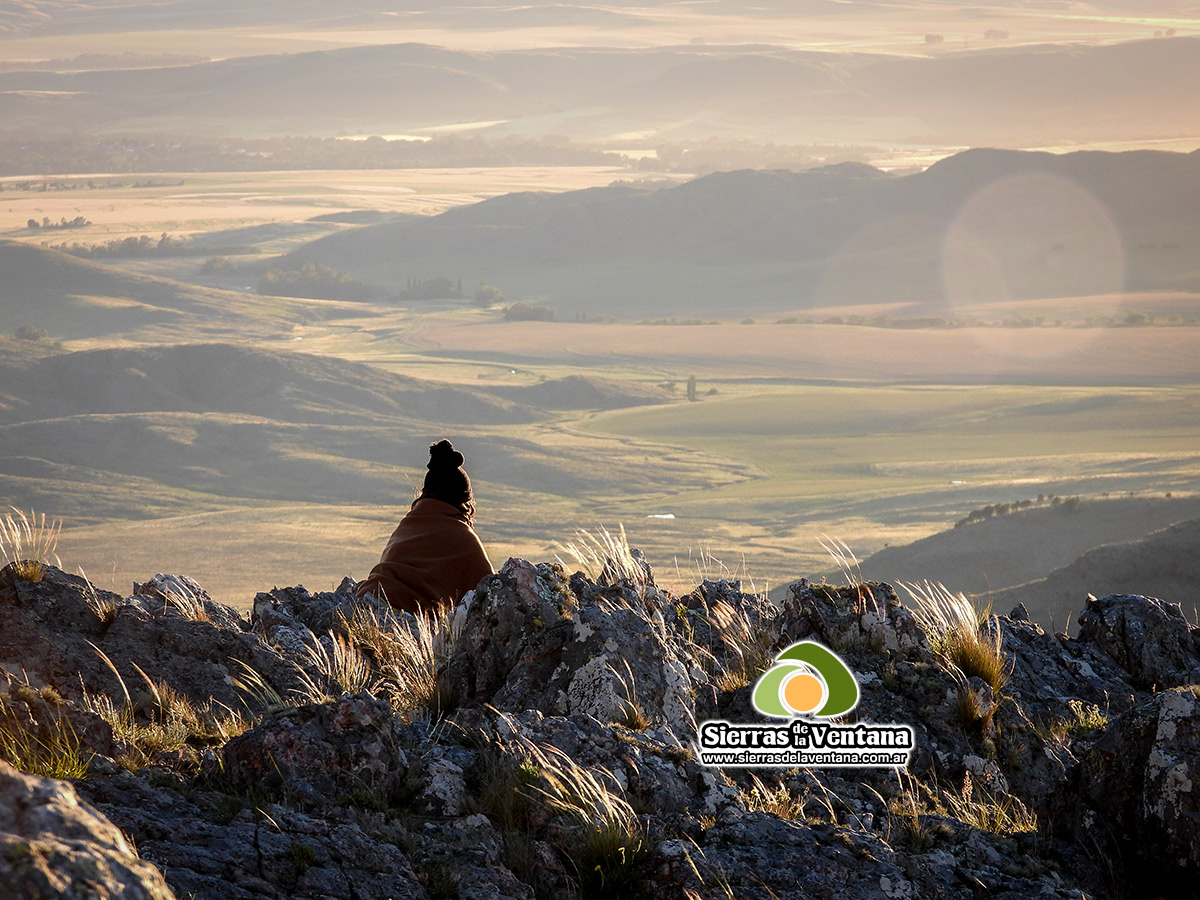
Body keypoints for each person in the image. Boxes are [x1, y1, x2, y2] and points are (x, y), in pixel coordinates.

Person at [356, 439, 494, 613]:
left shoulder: (406, 525)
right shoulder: (464, 538)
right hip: (401, 615)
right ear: (464, 502)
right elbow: (491, 592)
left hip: (364, 601)